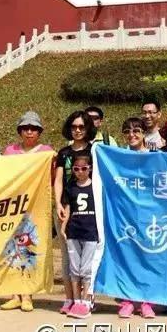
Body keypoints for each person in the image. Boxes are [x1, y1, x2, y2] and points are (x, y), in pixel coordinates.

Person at [1, 111, 56, 312]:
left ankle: (28, 295)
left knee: (31, 248)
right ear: (20, 131)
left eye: (33, 128)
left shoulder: (46, 152)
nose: (29, 132)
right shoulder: (10, 151)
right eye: (25, 128)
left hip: (36, 207)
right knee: (13, 250)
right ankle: (15, 294)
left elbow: (51, 178)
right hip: (14, 208)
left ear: (39, 132)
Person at [55, 110, 97, 315]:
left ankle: (87, 300)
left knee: (88, 260)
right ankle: (70, 298)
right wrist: (58, 204)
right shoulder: (63, 153)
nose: (78, 130)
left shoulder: (95, 151)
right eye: (74, 127)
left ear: (88, 128)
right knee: (68, 258)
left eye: (81, 127)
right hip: (67, 208)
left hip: (89, 212)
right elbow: (58, 180)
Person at [116, 117, 157, 319]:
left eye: (137, 130)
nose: (132, 135)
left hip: (150, 216)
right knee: (128, 257)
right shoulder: (119, 157)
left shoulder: (154, 157)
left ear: (144, 134)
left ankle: (146, 302)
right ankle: (128, 300)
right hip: (125, 215)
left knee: (148, 256)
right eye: (127, 131)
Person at [60, 151, 101, 319]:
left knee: (87, 268)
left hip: (91, 232)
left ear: (90, 169)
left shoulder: (97, 187)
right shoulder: (70, 187)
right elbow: (68, 208)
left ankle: (87, 301)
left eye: (84, 168)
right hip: (74, 231)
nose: (80, 172)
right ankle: (76, 300)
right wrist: (63, 227)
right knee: (74, 269)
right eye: (76, 169)